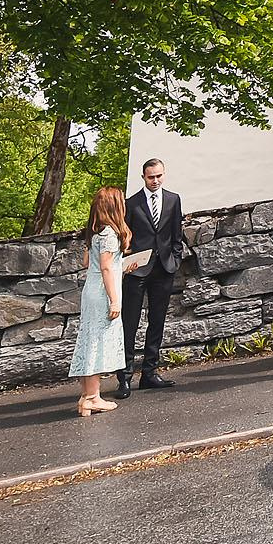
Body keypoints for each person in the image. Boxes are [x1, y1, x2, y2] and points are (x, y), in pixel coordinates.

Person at [120, 158, 186, 395]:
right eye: (151, 177)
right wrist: (127, 263)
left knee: (157, 322)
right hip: (137, 271)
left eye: (159, 176)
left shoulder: (173, 199)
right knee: (130, 323)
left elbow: (175, 233)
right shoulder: (131, 203)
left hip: (164, 268)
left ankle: (150, 373)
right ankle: (125, 376)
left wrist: (175, 259)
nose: (155, 181)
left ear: (163, 175)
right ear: (143, 177)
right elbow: (124, 239)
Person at [68, 186, 128, 417]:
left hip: (90, 290)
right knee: (96, 344)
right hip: (102, 293)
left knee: (88, 340)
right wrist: (114, 300)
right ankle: (93, 398)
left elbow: (87, 262)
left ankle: (86, 396)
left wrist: (122, 266)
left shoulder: (95, 232)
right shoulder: (110, 234)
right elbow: (104, 267)